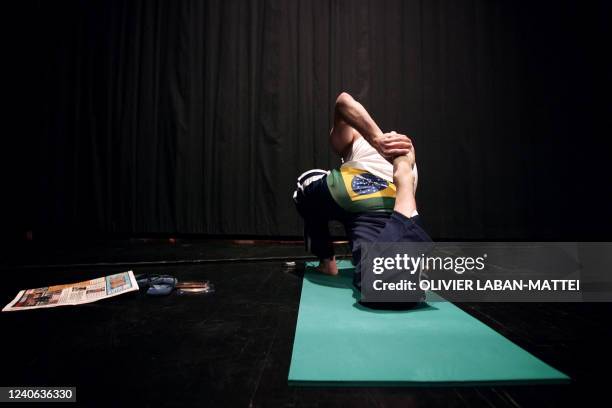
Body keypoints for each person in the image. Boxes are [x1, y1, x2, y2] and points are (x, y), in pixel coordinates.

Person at [293, 92, 432, 291]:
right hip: (387, 201)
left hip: (351, 186)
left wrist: (377, 139)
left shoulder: (360, 138)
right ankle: (411, 262)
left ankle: (327, 263)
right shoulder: (402, 149)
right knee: (379, 279)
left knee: (304, 188)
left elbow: (343, 101)